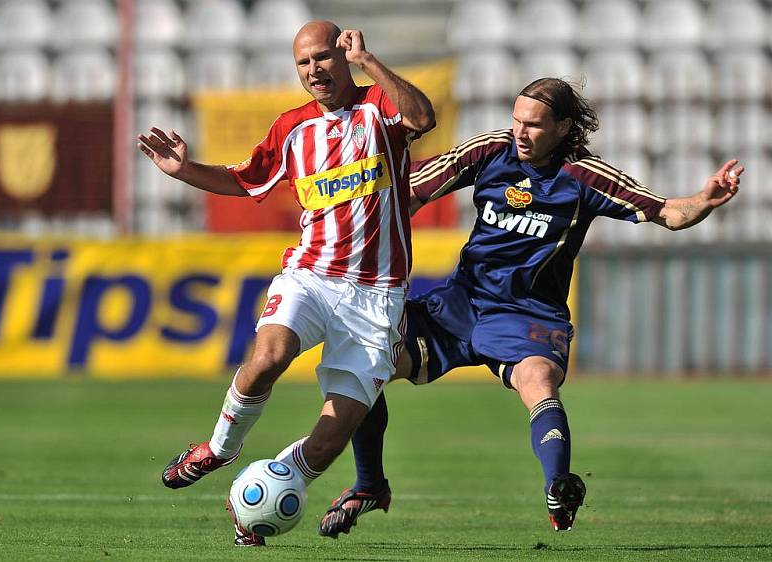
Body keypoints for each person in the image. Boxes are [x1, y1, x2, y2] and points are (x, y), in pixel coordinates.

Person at [318, 77, 743, 538]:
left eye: (534, 125)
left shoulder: (585, 176)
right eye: (517, 120)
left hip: (529, 314)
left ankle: (558, 488)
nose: (520, 132)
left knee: (538, 381)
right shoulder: (490, 150)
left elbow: (667, 213)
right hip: (463, 303)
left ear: (563, 127)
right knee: (368, 362)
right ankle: (369, 486)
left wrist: (705, 199)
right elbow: (408, 190)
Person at [137, 21, 435, 546]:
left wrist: (370, 62)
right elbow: (243, 180)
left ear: (342, 57)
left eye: (323, 58)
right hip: (311, 276)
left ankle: (259, 501)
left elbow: (422, 116)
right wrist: (185, 170)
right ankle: (219, 448)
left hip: (377, 296)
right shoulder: (292, 128)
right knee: (267, 360)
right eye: (303, 62)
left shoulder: (379, 110)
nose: (314, 70)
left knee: (328, 442)